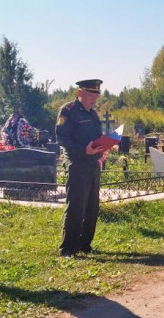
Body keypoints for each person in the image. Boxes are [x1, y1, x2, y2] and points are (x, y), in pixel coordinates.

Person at [55, 79, 108, 256]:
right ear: (80, 93)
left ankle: (85, 244)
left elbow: (97, 137)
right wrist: (83, 150)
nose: (94, 98)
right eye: (91, 94)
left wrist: (103, 148)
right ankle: (68, 248)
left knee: (91, 207)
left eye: (96, 95)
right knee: (76, 206)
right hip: (77, 164)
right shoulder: (68, 111)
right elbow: (62, 138)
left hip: (93, 165)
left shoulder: (92, 114)